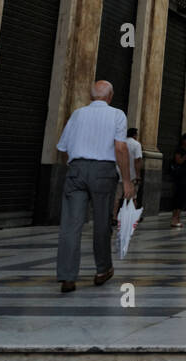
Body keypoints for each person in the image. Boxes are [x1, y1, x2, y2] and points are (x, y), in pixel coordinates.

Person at [55, 80, 132, 293]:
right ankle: (102, 270)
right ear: (110, 96)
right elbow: (120, 148)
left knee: (71, 225)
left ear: (91, 97)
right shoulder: (117, 115)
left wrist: (76, 165)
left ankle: (67, 277)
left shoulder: (78, 114)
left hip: (76, 169)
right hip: (103, 172)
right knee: (101, 223)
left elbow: (63, 147)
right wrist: (126, 180)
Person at [113, 126, 143, 225]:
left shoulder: (121, 143)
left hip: (119, 173)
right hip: (131, 176)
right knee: (133, 197)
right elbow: (137, 160)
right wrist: (138, 175)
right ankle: (132, 217)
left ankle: (114, 217)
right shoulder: (136, 144)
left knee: (117, 197)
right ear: (135, 135)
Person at [170, 132, 186, 228]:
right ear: (184, 140)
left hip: (183, 177)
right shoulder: (179, 150)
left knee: (182, 198)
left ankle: (177, 219)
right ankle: (175, 219)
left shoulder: (183, 150)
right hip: (179, 178)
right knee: (179, 198)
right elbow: (178, 161)